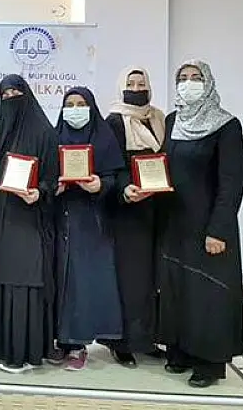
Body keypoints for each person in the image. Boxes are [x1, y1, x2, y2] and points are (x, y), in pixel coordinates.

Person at [157, 60, 243, 388]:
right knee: (179, 289)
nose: (189, 82)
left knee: (208, 295)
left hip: (208, 227)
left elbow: (231, 182)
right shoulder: (173, 121)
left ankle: (208, 363)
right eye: (183, 77)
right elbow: (162, 168)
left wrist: (218, 230)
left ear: (208, 83)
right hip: (175, 223)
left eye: (196, 77)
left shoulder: (226, 125)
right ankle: (180, 351)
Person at [0, 74, 59, 373]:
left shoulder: (45, 132)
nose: (10, 99)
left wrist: (39, 192)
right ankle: (4, 347)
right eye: (4, 95)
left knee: (24, 282)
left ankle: (26, 353)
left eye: (16, 93)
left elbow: (53, 179)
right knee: (3, 280)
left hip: (29, 220)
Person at [54, 87, 124, 371]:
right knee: (58, 280)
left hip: (91, 221)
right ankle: (59, 340)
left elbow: (116, 177)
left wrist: (100, 185)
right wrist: (52, 186)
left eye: (80, 104)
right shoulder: (53, 136)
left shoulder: (104, 138)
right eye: (69, 104)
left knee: (83, 284)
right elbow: (43, 173)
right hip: (58, 219)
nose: (74, 109)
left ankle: (78, 343)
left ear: (91, 107)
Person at [103, 66, 167, 366]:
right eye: (131, 83)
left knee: (153, 278)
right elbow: (110, 166)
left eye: (142, 84)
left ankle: (148, 338)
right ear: (122, 87)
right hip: (129, 210)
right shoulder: (115, 121)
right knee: (129, 278)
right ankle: (122, 343)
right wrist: (125, 189)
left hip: (159, 208)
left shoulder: (159, 119)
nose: (137, 89)